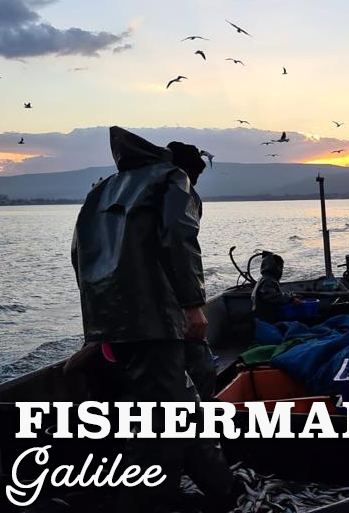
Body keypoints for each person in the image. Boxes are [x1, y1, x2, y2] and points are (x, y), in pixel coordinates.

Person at [71, 126, 232, 512]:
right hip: (155, 320)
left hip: (113, 322)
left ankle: (222, 493)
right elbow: (179, 236)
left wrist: (97, 327)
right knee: (166, 422)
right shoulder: (173, 179)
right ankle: (147, 500)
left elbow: (80, 251)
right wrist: (193, 304)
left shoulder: (105, 188)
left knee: (179, 407)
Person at [251, 252, 301, 323]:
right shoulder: (268, 280)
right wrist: (290, 299)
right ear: (276, 267)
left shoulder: (264, 278)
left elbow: (273, 294)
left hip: (263, 319)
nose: (281, 270)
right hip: (265, 322)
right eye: (281, 267)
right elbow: (272, 296)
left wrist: (292, 295)